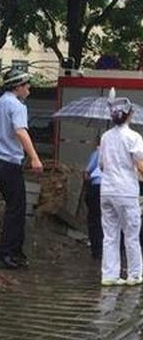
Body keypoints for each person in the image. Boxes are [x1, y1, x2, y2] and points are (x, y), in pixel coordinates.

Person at [99, 97, 143, 286]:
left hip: (106, 191)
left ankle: (109, 275)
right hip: (126, 192)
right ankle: (134, 275)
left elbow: (102, 165)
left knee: (110, 235)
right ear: (129, 115)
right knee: (131, 235)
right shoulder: (133, 137)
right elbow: (141, 166)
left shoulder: (105, 137)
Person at [0, 69, 43, 269]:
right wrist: (34, 158)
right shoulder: (17, 106)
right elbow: (21, 132)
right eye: (26, 85)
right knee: (16, 208)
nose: (29, 89)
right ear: (17, 87)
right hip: (9, 162)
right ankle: (10, 253)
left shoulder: (1, 102)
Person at [84, 144, 103, 260]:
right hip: (116, 189)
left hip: (97, 186)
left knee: (95, 219)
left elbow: (87, 172)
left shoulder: (99, 151)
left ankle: (97, 251)